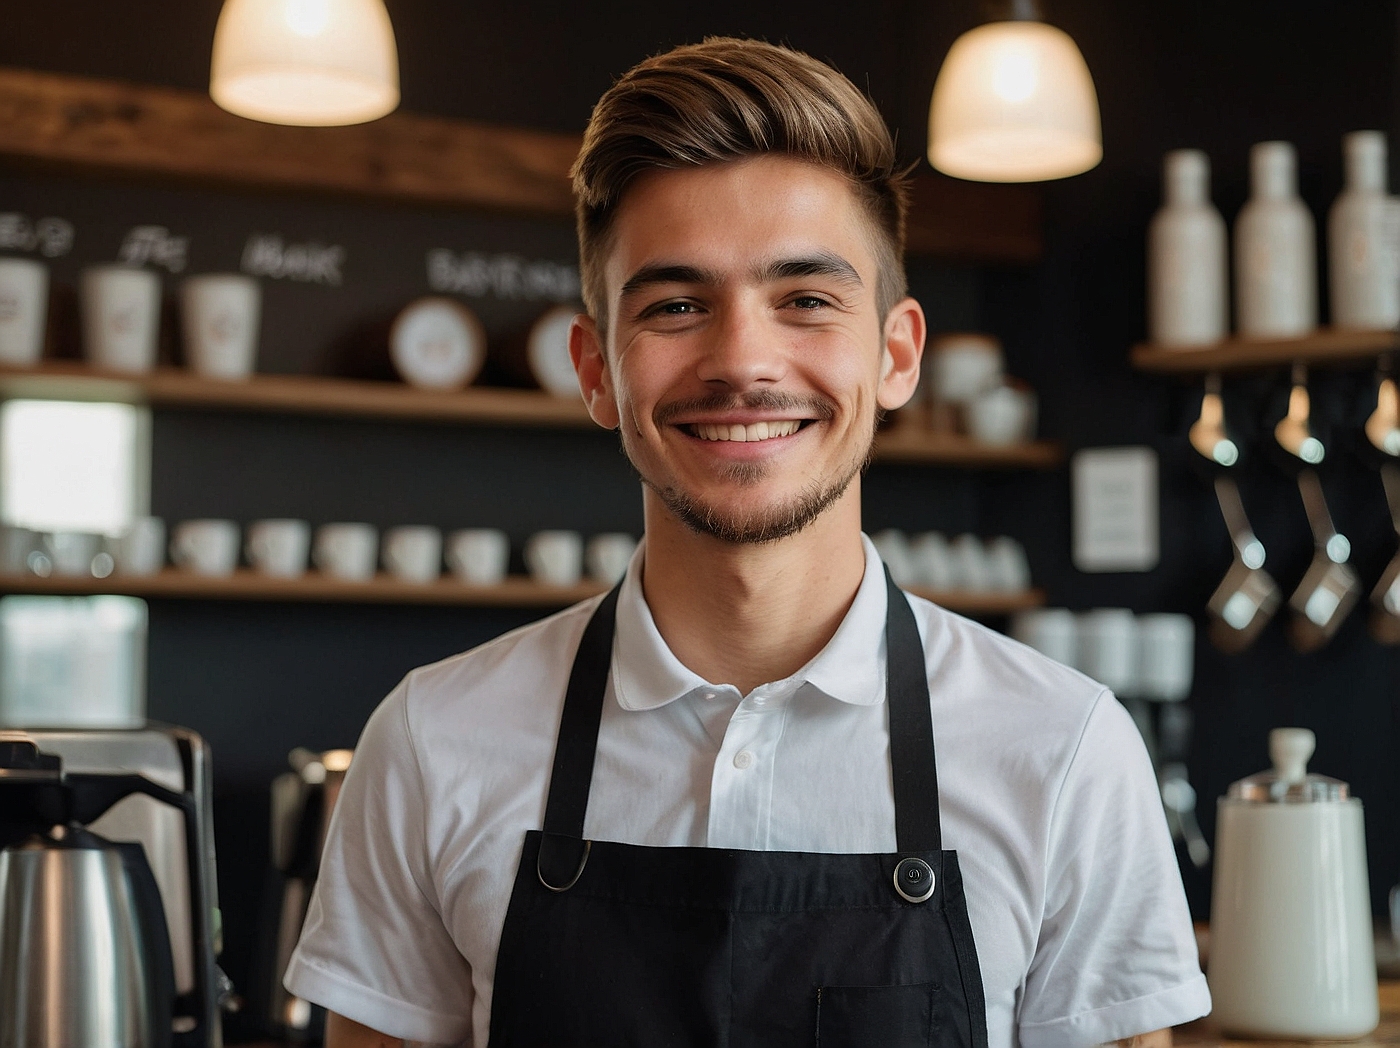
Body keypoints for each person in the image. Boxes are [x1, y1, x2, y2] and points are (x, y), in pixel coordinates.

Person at [285, 37, 1210, 1048]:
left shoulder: (1065, 752)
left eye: (805, 299)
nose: (741, 361)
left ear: (895, 354)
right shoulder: (430, 741)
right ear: (594, 369)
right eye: (676, 305)